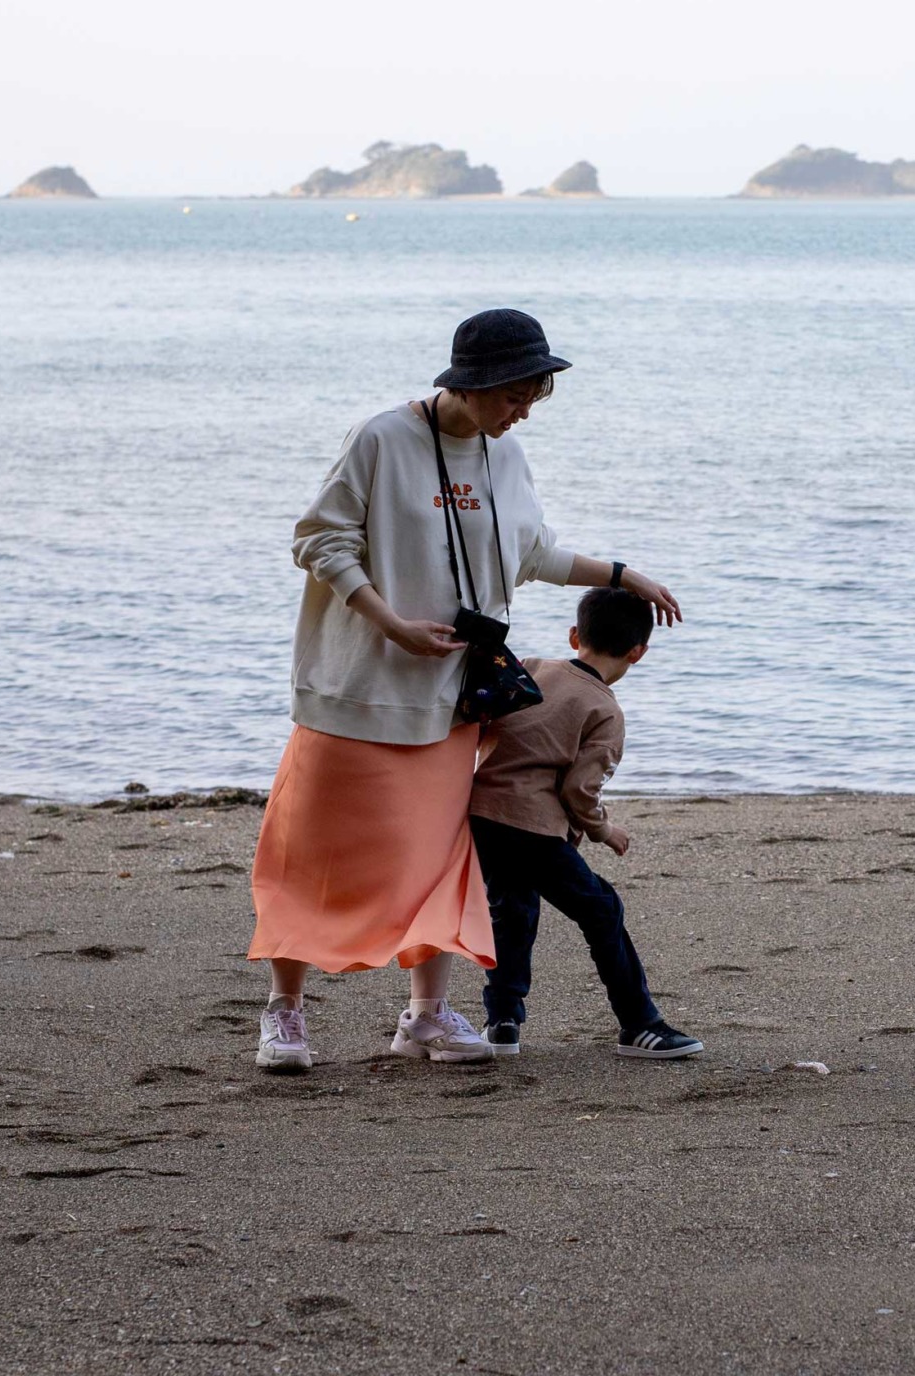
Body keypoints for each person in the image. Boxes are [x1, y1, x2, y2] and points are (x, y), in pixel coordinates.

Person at [246, 309, 680, 1071]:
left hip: (454, 701)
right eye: (516, 396)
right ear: (473, 385)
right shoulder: (382, 438)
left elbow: (534, 551)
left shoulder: (505, 460)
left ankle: (425, 1017)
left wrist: (622, 574)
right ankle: (285, 1014)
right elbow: (318, 539)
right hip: (355, 688)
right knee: (311, 851)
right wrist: (390, 623)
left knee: (440, 859)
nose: (523, 413)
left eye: (534, 399)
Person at [467, 586, 703, 1060]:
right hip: (532, 828)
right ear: (639, 652)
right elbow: (580, 790)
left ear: (575, 634)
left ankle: (503, 1020)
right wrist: (603, 829)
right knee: (602, 911)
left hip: (480, 816)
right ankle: (640, 1024)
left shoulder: (532, 667)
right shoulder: (605, 710)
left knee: (511, 911)